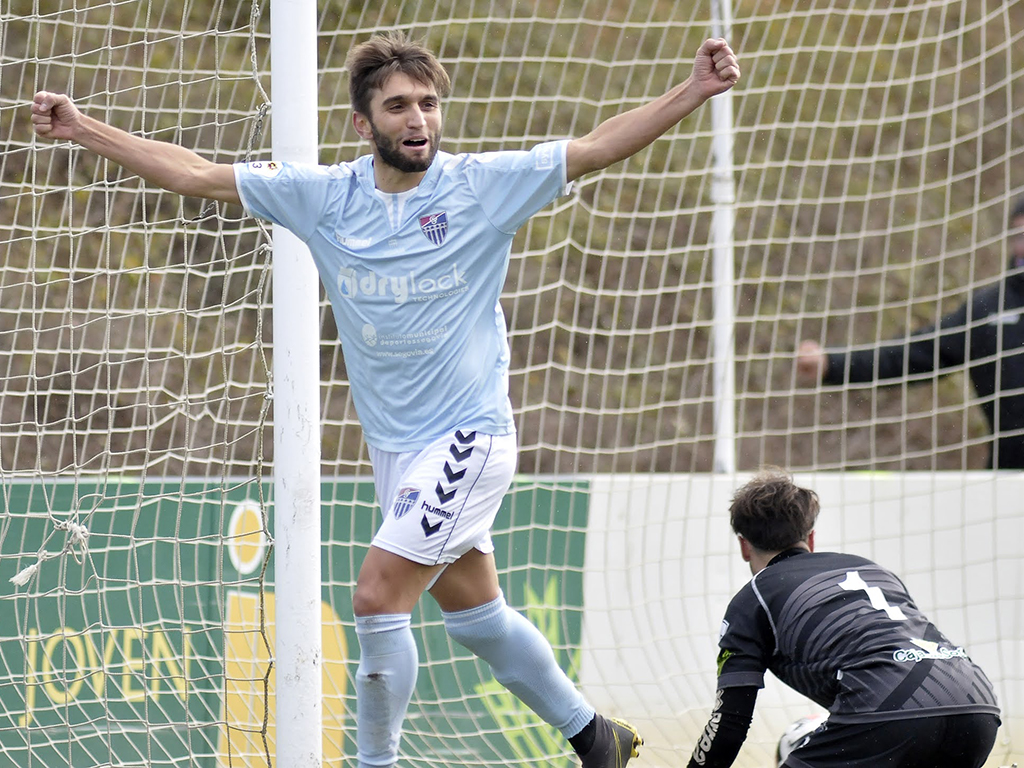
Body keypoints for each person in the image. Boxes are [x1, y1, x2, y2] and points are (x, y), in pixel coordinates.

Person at [32, 30, 740, 768]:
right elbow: (197, 174)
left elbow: (595, 146)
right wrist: (83, 129)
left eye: (429, 104)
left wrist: (692, 90)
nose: (418, 120)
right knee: (475, 618)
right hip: (396, 452)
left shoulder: (482, 186)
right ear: (363, 124)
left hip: (470, 437)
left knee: (375, 597)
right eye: (399, 106)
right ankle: (596, 738)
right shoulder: (323, 196)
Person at [686, 467, 1000, 768]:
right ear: (810, 538)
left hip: (890, 711)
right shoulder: (873, 569)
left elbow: (730, 721)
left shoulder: (753, 598)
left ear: (744, 545)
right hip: (977, 706)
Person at [796, 199, 1024, 469]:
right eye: (1019, 234)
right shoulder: (989, 309)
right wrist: (832, 364)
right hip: (1009, 479)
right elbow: (913, 354)